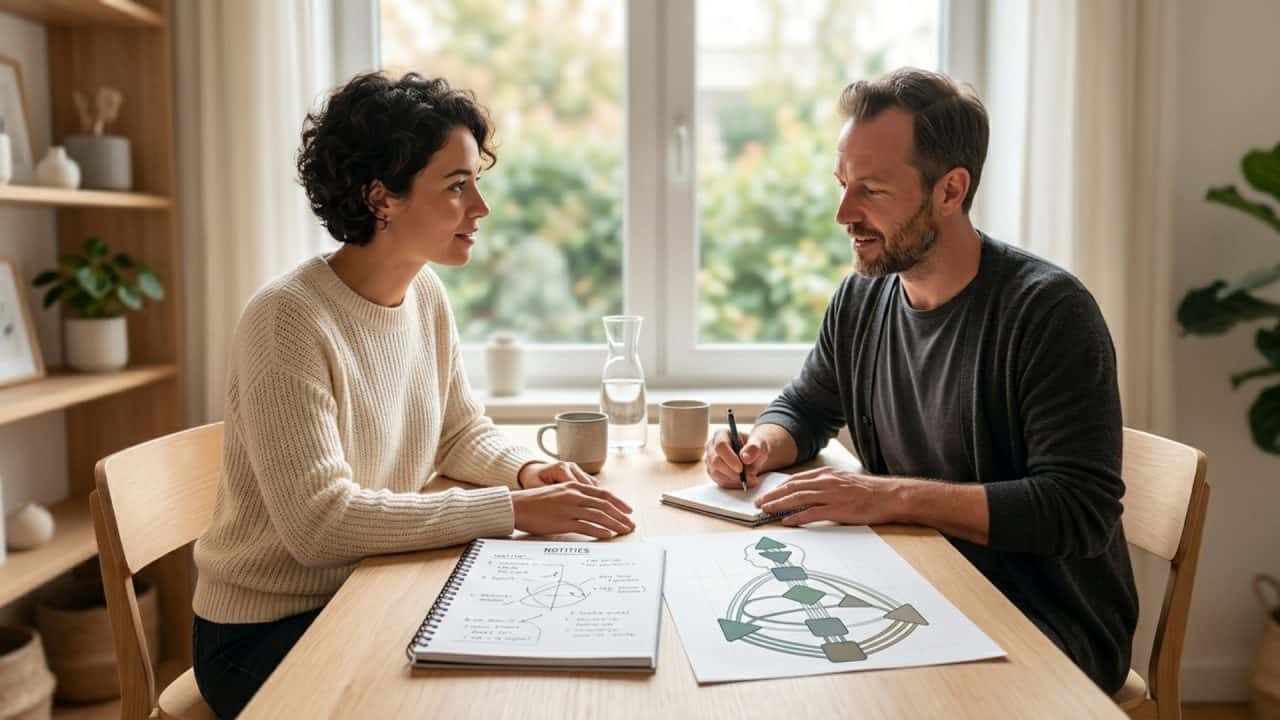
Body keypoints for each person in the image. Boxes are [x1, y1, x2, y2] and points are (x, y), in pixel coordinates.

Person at [191, 72, 635, 719]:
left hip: (371, 589)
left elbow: (458, 431)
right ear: (382, 199)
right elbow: (319, 525)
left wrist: (528, 472)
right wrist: (511, 509)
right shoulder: (287, 320)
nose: (479, 208)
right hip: (265, 634)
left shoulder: (425, 295)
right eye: (457, 186)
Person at [703, 67, 1137, 694]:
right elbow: (807, 403)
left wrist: (887, 496)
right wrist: (762, 443)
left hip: (1046, 624)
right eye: (842, 184)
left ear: (950, 191)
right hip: (913, 588)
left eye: (871, 191)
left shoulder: (1048, 313)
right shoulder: (862, 298)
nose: (843, 214)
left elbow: (1079, 510)